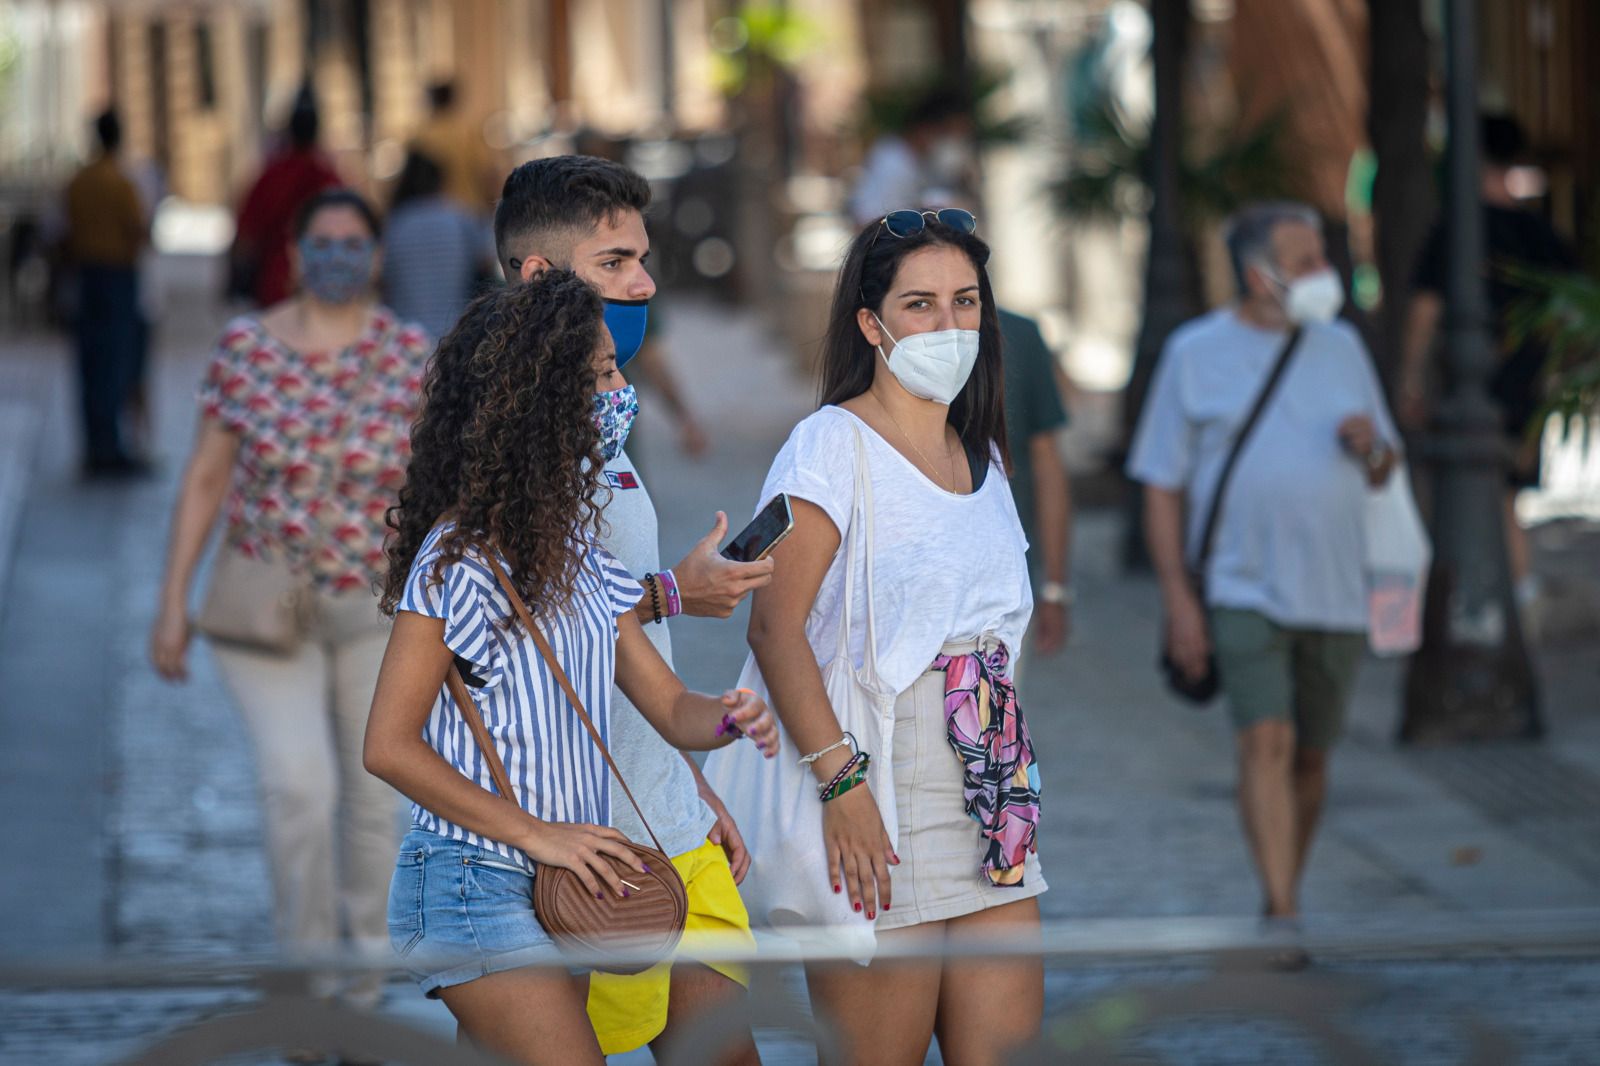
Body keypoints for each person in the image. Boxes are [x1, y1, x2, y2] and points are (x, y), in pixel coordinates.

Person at [363, 272, 779, 1066]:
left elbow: (667, 706)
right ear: (541, 403)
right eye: (600, 375)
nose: (621, 388)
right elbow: (387, 744)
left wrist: (730, 718)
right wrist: (540, 836)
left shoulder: (584, 556)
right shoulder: (458, 560)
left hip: (565, 884)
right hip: (470, 883)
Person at [732, 207, 1044, 1064]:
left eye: (965, 301)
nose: (949, 324)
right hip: (878, 777)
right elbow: (774, 626)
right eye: (920, 305)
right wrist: (842, 786)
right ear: (871, 324)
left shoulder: (983, 451)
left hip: (992, 788)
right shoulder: (828, 447)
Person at [494, 155, 774, 1062]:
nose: (645, 281)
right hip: (565, 845)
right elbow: (501, 638)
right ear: (540, 278)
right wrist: (671, 595)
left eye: (641, 258)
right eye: (615, 261)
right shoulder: (487, 433)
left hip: (662, 819)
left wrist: (684, 779)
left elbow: (611, 637)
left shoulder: (604, 407)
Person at [150, 189, 427, 1003]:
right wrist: (172, 602)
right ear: (299, 254)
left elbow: (440, 486)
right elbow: (205, 478)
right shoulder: (246, 348)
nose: (339, 257)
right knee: (299, 788)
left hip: (378, 612)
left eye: (354, 243)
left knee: (376, 801)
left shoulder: (413, 354)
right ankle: (308, 980)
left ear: (375, 257)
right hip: (264, 614)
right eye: (323, 243)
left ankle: (364, 984)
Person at [1128, 202, 1399, 935]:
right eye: (1306, 260)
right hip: (1241, 584)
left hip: (1336, 589)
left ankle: (1287, 882)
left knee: (1311, 756)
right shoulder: (1194, 352)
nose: (1325, 274)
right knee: (1264, 740)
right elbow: (1160, 483)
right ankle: (1282, 912)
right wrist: (1180, 602)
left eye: (1322, 256)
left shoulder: (1343, 346)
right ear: (1259, 275)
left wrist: (1372, 447)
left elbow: (1384, 468)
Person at [1398, 113, 1578, 611]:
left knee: (1468, 491)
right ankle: (1516, 595)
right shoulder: (1542, 234)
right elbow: (1570, 314)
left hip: (1470, 383)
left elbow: (1424, 310)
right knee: (1504, 497)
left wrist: (1411, 376)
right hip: (1528, 384)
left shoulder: (1458, 228)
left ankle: (1481, 600)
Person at [63, 108, 148, 476]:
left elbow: (60, 233)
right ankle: (111, 447)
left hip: (85, 277)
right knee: (115, 361)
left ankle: (94, 444)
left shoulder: (77, 181)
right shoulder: (121, 183)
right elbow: (138, 231)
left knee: (89, 363)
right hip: (116, 278)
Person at [1000, 308, 1075, 655]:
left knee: (994, 709)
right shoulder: (888, 333)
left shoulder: (1017, 336)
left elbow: (1047, 463)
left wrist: (1055, 587)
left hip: (1005, 589)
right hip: (904, 589)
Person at [231, 91, 341, 308]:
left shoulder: (271, 175)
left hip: (274, 280)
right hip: (322, 278)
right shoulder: (328, 176)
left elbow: (245, 232)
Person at [382, 149, 495, 339]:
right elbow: (486, 260)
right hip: (456, 328)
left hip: (405, 333)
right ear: (440, 181)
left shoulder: (395, 223)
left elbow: (384, 278)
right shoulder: (460, 217)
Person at [849, 89, 976, 226]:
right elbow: (868, 219)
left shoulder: (921, 160)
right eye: (950, 135)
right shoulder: (893, 163)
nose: (953, 143)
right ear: (926, 129)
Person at [411, 81, 497, 216]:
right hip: (470, 208)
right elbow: (485, 171)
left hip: (435, 211)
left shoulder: (422, 135)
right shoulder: (467, 131)